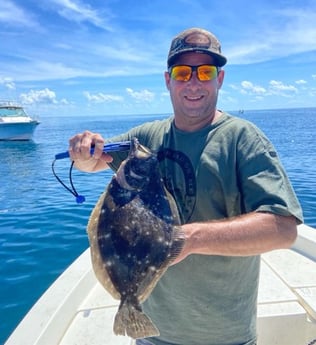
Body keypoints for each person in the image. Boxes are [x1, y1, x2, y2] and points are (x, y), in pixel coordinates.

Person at [68, 28, 303, 345]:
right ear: (168, 80)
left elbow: (284, 229)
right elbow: (94, 162)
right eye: (182, 72)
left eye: (205, 72)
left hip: (225, 337)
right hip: (153, 337)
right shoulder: (146, 137)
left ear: (220, 79)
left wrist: (186, 239)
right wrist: (83, 154)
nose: (194, 82)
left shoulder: (242, 139)